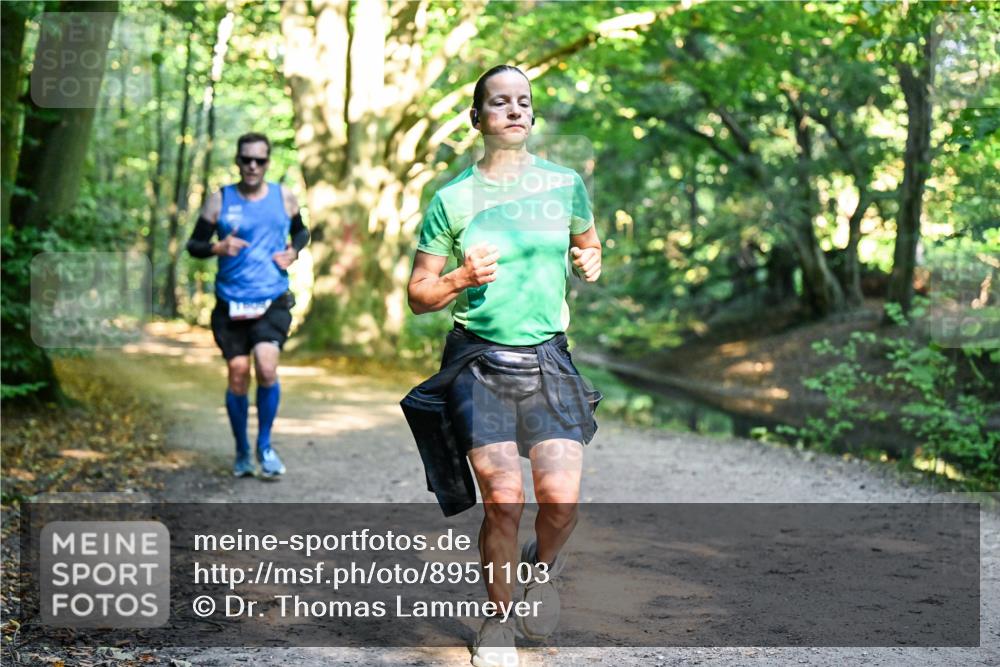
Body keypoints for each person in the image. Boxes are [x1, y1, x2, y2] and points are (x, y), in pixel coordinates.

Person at [403, 65, 602, 667]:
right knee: (504, 501)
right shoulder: (453, 199)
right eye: (499, 103)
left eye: (522, 102)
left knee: (561, 503)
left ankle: (540, 574)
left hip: (547, 358)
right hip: (478, 361)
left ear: (532, 115)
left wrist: (589, 260)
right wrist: (461, 277)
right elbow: (419, 293)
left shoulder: (564, 185)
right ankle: (497, 621)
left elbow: (588, 244)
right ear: (478, 118)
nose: (513, 111)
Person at [185, 132, 309, 480]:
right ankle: (242, 450)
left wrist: (294, 251)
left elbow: (302, 232)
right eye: (246, 160)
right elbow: (194, 244)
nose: (252, 166)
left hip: (271, 300)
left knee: (266, 368)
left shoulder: (283, 196)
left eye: (259, 160)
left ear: (267, 162)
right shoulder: (220, 199)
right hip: (230, 304)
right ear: (238, 161)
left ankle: (265, 446)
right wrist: (216, 248)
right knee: (238, 375)